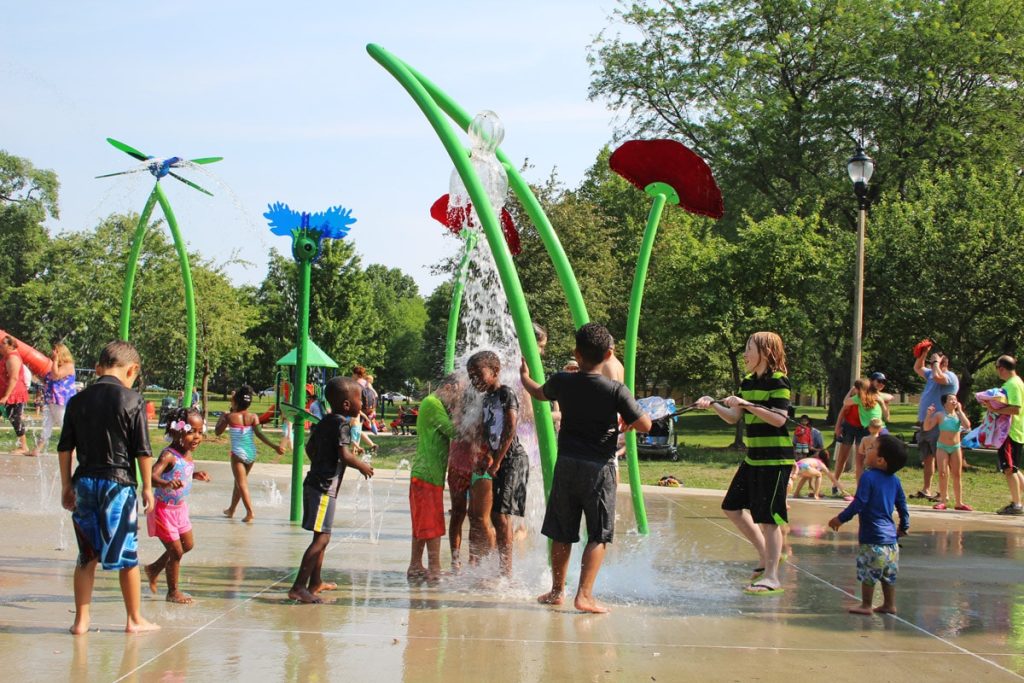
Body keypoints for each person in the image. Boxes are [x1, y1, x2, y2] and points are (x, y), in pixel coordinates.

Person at [521, 322, 650, 613]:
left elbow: (538, 393)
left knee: (562, 531)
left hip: (566, 465)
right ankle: (585, 595)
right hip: (599, 469)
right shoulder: (615, 390)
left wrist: (524, 376)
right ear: (608, 355)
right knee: (598, 534)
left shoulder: (563, 381)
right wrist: (630, 419)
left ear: (576, 353)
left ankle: (556, 591)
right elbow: (645, 424)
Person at [57, 340, 159, 634]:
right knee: (127, 556)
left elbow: (65, 448)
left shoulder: (77, 401)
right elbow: (142, 450)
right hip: (118, 486)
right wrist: (147, 488)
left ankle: (81, 621)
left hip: (84, 482)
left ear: (101, 366)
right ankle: (134, 619)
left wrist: (67, 484)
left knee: (86, 555)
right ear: (132, 369)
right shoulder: (132, 399)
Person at [696, 331, 792, 596]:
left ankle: (772, 576)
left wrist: (748, 404)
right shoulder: (748, 381)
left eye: (749, 348)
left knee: (769, 518)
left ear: (765, 352)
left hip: (776, 459)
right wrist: (713, 403)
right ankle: (765, 555)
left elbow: (779, 419)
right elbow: (733, 416)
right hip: (754, 458)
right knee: (732, 507)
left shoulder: (778, 381)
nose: (745, 354)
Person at [289, 377, 373, 604]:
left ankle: (315, 582)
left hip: (318, 484)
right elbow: (345, 455)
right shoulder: (343, 425)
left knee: (322, 536)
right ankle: (298, 586)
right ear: (347, 404)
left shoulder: (326, 420)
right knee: (322, 539)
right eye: (359, 399)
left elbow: (309, 447)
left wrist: (320, 464)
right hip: (323, 489)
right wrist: (362, 465)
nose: (362, 404)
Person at [828, 435, 910, 615]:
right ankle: (889, 604)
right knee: (888, 575)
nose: (867, 449)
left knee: (868, 572)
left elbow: (859, 503)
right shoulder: (895, 480)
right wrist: (904, 526)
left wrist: (840, 518)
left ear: (880, 460)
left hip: (873, 537)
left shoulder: (868, 476)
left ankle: (866, 605)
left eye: (871, 448)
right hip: (891, 542)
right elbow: (902, 505)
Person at [466, 350, 529, 577]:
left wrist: (498, 460)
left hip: (513, 459)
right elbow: (486, 430)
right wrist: (485, 456)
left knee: (501, 515)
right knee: (495, 515)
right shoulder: (486, 399)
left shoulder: (505, 393)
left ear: (494, 371)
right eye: (471, 376)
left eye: (478, 375)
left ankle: (506, 573)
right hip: (499, 460)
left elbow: (510, 428)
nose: (475, 381)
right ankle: (501, 568)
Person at [144, 407, 211, 603]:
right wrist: (165, 483)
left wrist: (195, 474)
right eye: (191, 432)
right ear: (175, 431)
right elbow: (151, 476)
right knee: (177, 552)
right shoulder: (169, 455)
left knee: (187, 545)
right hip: (163, 510)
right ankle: (172, 592)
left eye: (200, 431)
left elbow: (184, 470)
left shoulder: (187, 454)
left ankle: (154, 568)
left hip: (180, 509)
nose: (197, 437)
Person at [408, 375, 459, 583]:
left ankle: (415, 565)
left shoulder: (432, 403)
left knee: (422, 523)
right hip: (427, 474)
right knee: (432, 524)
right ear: (448, 388)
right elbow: (454, 431)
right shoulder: (433, 403)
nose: (458, 401)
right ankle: (434, 568)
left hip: (427, 474)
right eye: (457, 395)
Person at [216, 385, 285, 523]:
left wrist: (223, 417)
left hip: (237, 454)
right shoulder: (253, 417)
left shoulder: (230, 417)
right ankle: (231, 510)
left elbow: (218, 432)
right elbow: (260, 434)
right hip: (251, 453)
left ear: (235, 402)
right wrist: (275, 446)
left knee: (241, 483)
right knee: (239, 483)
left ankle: (250, 512)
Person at [913, 343, 959, 500]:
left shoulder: (950, 377)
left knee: (942, 459)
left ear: (943, 363)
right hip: (925, 422)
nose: (931, 366)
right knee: (927, 458)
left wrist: (935, 363)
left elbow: (939, 376)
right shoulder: (932, 375)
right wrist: (924, 354)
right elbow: (918, 368)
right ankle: (927, 489)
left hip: (939, 424)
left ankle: (943, 493)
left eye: (937, 363)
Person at [922, 394, 972, 511]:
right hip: (942, 447)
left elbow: (967, 425)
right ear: (945, 403)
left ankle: (959, 503)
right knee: (943, 473)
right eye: (951, 399)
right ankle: (943, 501)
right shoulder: (940, 415)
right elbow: (926, 427)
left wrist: (960, 411)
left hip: (956, 447)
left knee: (957, 474)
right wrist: (928, 415)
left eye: (955, 399)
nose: (954, 401)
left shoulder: (958, 415)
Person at [833, 379, 883, 494]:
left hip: (862, 428)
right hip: (849, 426)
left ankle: (859, 489)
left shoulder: (867, 397)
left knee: (859, 459)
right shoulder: (854, 397)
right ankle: (835, 484)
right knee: (842, 457)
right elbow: (842, 411)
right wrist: (838, 426)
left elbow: (885, 396)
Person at [29, 342, 77, 457]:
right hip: (51, 399)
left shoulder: (68, 365)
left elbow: (56, 376)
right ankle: (37, 449)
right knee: (47, 424)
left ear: (61, 352)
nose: (52, 353)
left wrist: (55, 361)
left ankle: (75, 449)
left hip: (60, 400)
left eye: (55, 351)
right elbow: (49, 379)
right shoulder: (56, 365)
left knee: (63, 423)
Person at [992, 355, 1024, 515]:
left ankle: (1017, 505)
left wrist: (996, 410)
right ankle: (1018, 503)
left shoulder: (1012, 384)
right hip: (1016, 431)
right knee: (1015, 469)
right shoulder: (1017, 382)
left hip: (1009, 432)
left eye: (997, 368)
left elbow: (1015, 408)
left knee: (1009, 469)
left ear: (1002, 368)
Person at [0, 335, 30, 454]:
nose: (0, 347)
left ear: (11, 346)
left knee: (15, 418)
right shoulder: (7, 356)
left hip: (13, 393)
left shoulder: (13, 358)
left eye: (2, 345)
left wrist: (6, 396)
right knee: (14, 418)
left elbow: (14, 378)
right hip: (5, 392)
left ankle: (24, 446)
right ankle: (23, 446)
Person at [855, 418, 885, 483]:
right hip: (878, 462)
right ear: (880, 429)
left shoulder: (865, 439)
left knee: (868, 477)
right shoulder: (881, 440)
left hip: (868, 461)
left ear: (869, 428)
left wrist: (867, 451)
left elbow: (860, 451)